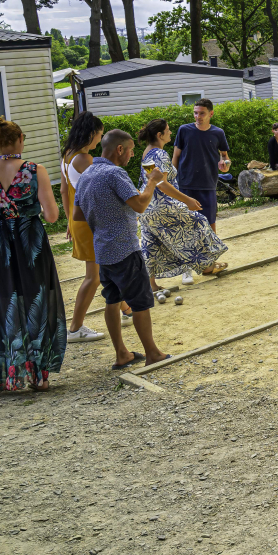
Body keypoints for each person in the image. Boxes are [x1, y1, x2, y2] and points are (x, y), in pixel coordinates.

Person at [0, 117, 67, 392]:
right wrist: (22, 215)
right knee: (37, 300)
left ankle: (6, 372)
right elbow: (52, 215)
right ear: (20, 139)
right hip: (28, 241)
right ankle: (39, 376)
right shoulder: (35, 170)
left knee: (3, 303)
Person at [74, 129, 169, 369]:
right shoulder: (115, 173)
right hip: (125, 248)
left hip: (103, 250)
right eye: (130, 151)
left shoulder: (87, 174)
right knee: (140, 303)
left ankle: (122, 354)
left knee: (112, 301)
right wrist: (151, 182)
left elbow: (77, 214)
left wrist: (107, 213)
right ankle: (153, 353)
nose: (131, 155)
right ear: (119, 150)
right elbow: (139, 205)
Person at [137, 119, 229, 284]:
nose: (171, 132)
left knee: (151, 242)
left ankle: (151, 285)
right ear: (160, 135)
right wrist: (187, 200)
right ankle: (207, 266)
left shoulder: (147, 152)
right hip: (163, 204)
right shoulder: (160, 153)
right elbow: (162, 184)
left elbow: (150, 180)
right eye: (168, 130)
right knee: (199, 222)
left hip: (147, 207)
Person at [60, 111, 108, 342]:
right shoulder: (85, 160)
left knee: (106, 267)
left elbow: (64, 191)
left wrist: (69, 220)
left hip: (78, 220)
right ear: (90, 134)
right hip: (90, 221)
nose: (101, 139)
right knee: (93, 277)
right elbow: (101, 191)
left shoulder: (67, 156)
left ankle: (127, 309)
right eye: (99, 134)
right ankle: (75, 328)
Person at [172, 98, 230, 234]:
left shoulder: (218, 133)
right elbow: (176, 156)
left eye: (202, 113)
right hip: (185, 184)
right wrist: (172, 180)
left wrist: (225, 165)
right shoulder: (184, 130)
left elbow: (225, 156)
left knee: (210, 225)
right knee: (186, 224)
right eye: (195, 113)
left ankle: (211, 253)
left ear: (211, 114)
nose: (198, 117)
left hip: (208, 184)